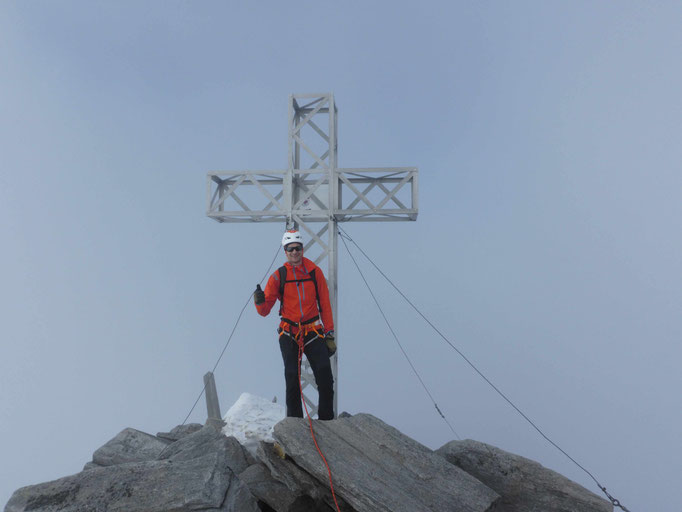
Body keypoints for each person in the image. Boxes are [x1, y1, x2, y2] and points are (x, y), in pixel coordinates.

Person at [253, 230, 336, 420]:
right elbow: (264, 311)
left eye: (297, 248)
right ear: (285, 251)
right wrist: (259, 301)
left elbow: (325, 305)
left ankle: (327, 423)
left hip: (313, 331)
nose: (294, 252)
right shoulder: (278, 277)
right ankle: (295, 424)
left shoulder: (315, 272)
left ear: (302, 248)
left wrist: (329, 332)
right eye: (290, 249)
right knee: (292, 378)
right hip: (289, 333)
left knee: (325, 376)